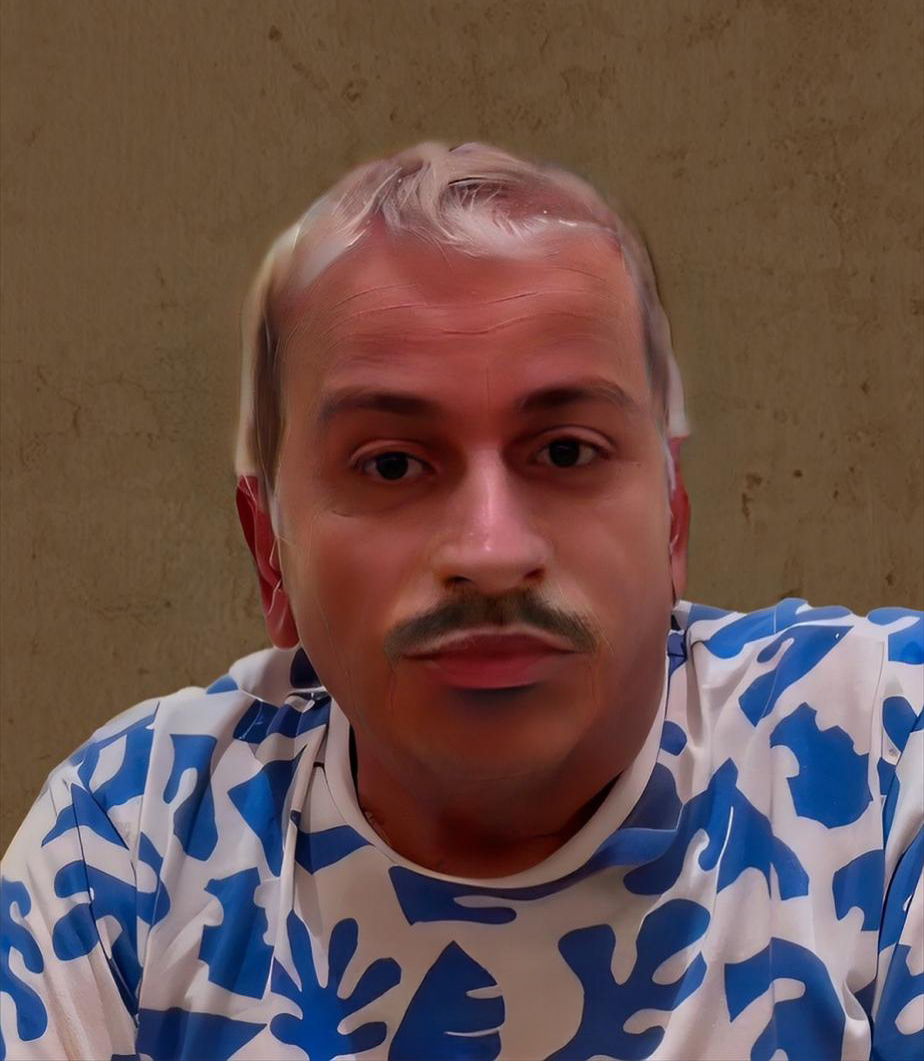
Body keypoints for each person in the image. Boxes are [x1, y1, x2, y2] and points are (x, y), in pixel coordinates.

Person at [1, 140, 921, 1061]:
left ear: (672, 520)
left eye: (565, 452)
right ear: (270, 557)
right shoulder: (125, 853)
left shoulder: (885, 758)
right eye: (392, 466)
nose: (491, 554)